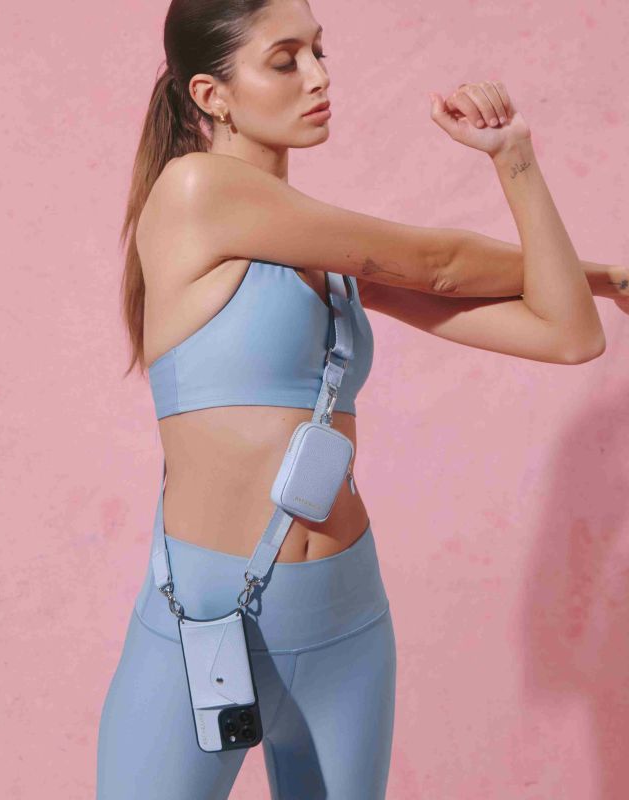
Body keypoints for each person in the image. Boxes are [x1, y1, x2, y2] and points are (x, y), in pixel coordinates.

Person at [96, 1, 609, 797]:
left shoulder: (328, 258)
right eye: (285, 60)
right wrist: (603, 272)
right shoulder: (196, 191)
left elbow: (568, 334)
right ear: (210, 94)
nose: (319, 77)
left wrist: (515, 158)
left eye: (319, 52)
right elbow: (439, 263)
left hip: (346, 624)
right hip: (205, 622)